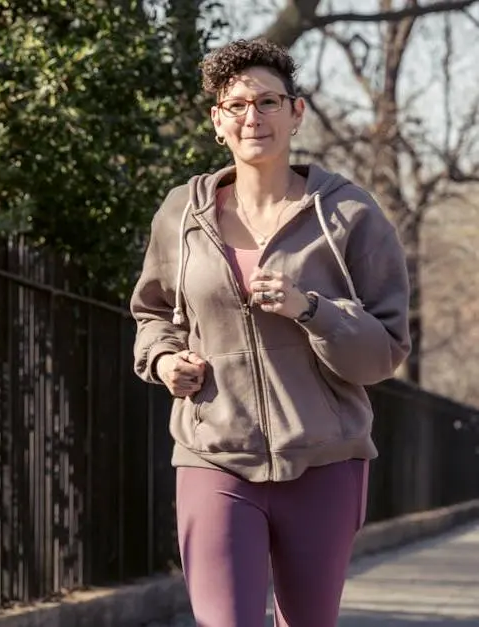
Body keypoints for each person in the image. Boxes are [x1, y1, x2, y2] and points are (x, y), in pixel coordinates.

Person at [130, 38, 410, 626]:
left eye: (268, 102)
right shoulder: (181, 214)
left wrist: (312, 309)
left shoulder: (349, 215)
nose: (252, 116)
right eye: (236, 105)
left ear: (296, 112)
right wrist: (163, 361)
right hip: (214, 456)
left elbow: (384, 352)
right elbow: (151, 313)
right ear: (217, 121)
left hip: (325, 462)